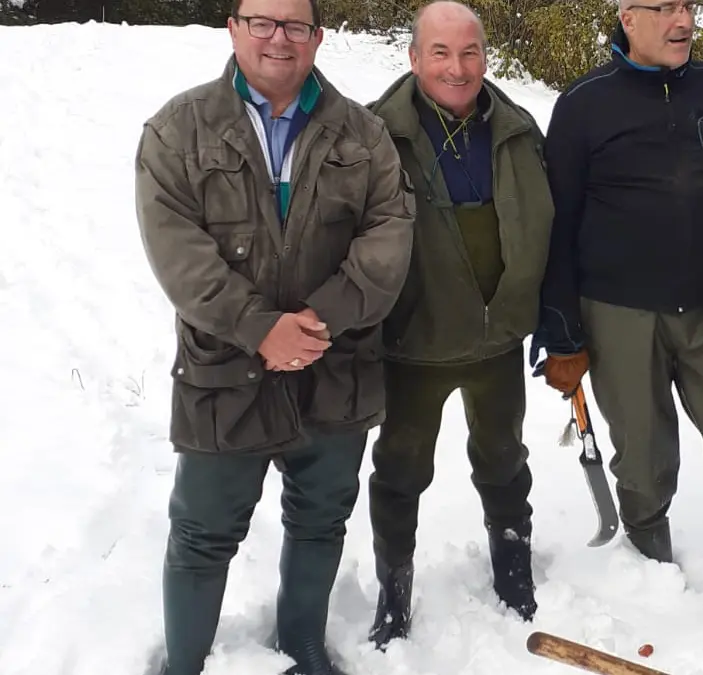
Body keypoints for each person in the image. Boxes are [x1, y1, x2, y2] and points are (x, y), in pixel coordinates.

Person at [133, 0, 416, 671]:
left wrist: (315, 322)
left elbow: (388, 238)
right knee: (203, 532)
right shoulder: (178, 131)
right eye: (261, 21)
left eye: (295, 25)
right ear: (233, 28)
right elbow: (178, 251)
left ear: (317, 38)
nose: (277, 39)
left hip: (333, 364)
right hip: (225, 372)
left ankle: (305, 644)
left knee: (320, 520)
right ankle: (185, 661)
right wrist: (259, 327)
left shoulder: (363, 135)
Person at [530, 0, 703, 592]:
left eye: (688, 6)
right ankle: (654, 589)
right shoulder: (583, 104)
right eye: (665, 8)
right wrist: (562, 333)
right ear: (629, 17)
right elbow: (557, 225)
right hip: (618, 313)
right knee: (643, 461)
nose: (684, 21)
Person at [363, 0, 553, 648]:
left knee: (504, 460)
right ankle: (394, 589)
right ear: (414, 59)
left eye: (469, 52)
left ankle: (513, 566)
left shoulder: (518, 132)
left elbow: (547, 229)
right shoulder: (373, 137)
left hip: (497, 338)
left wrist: (554, 320)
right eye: (440, 53)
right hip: (413, 345)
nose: (457, 67)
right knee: (400, 468)